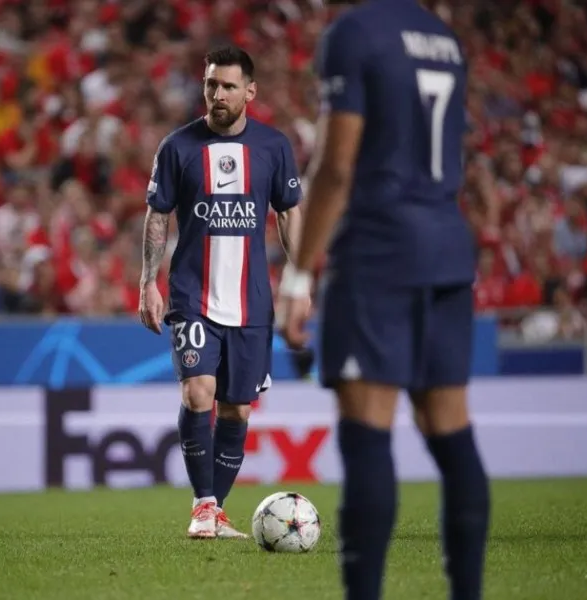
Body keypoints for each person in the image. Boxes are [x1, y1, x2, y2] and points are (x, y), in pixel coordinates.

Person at [278, 1, 491, 599]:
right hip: (447, 245)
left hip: (379, 252)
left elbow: (337, 168)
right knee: (451, 431)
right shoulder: (445, 38)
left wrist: (299, 277)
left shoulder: (355, 34)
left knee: (367, 430)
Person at [138, 46, 303, 540]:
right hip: (193, 294)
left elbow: (289, 212)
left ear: (250, 91)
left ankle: (218, 510)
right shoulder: (178, 147)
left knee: (236, 409)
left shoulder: (273, 147)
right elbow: (158, 215)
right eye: (211, 84)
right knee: (198, 391)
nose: (218, 94)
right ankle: (203, 505)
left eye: (228, 86)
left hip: (251, 301)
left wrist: (302, 280)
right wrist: (149, 280)